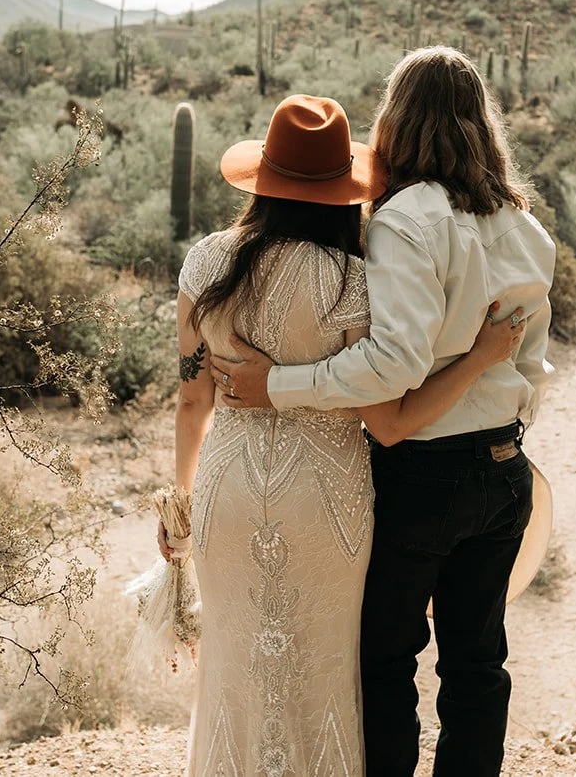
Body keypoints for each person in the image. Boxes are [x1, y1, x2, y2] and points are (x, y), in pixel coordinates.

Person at [212, 49, 557, 777]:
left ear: (397, 120)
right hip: (504, 465)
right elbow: (531, 365)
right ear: (479, 124)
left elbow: (393, 365)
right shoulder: (524, 227)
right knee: (476, 667)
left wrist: (278, 383)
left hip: (422, 472)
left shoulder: (406, 220)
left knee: (385, 663)